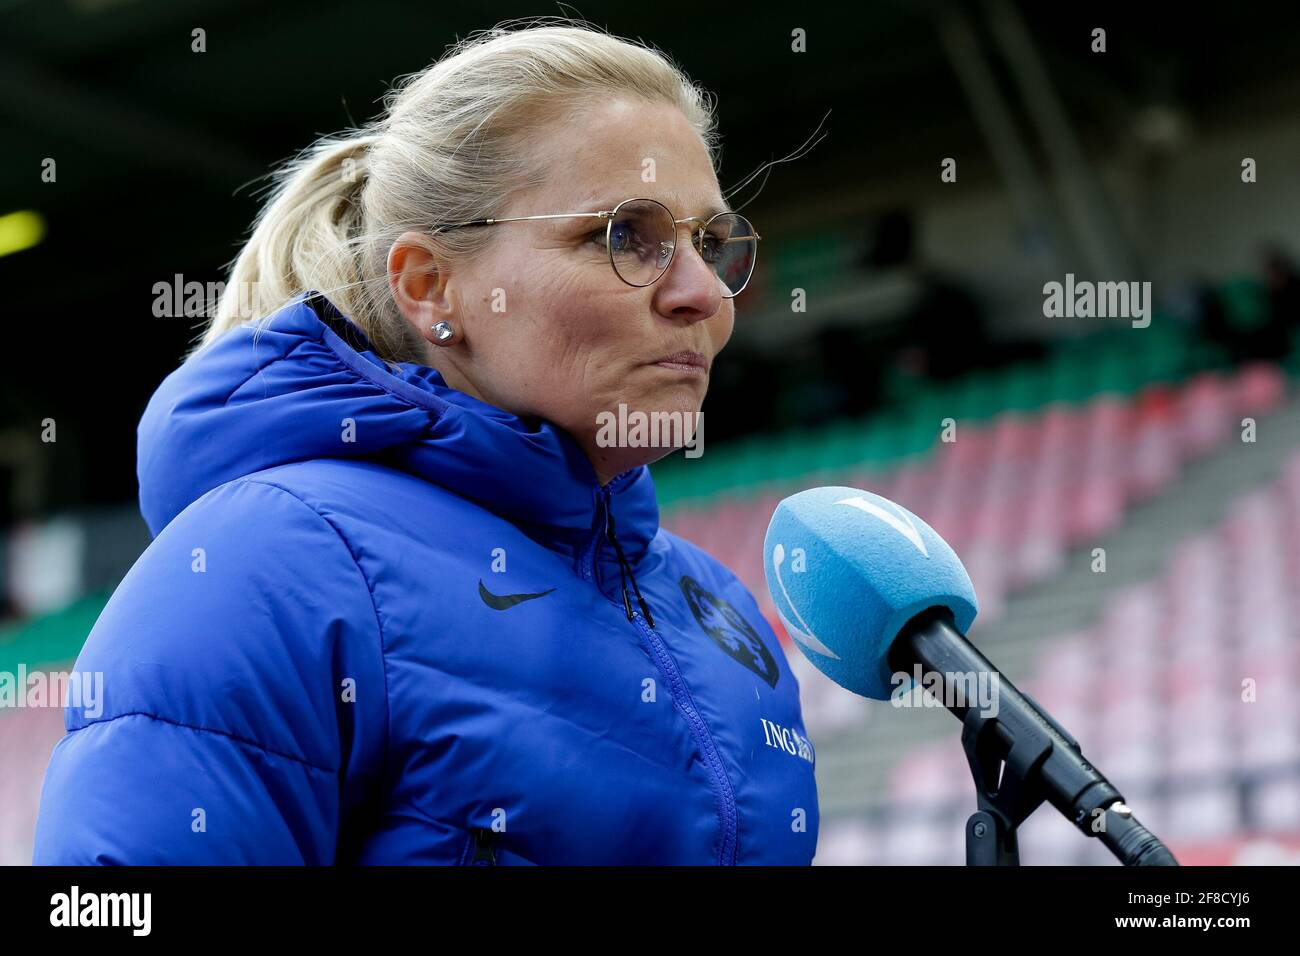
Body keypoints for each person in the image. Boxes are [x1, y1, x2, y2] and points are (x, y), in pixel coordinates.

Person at [32, 21, 818, 865]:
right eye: (626, 236)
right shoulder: (266, 564)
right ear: (430, 285)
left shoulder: (723, 611)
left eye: (709, 242)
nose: (703, 293)